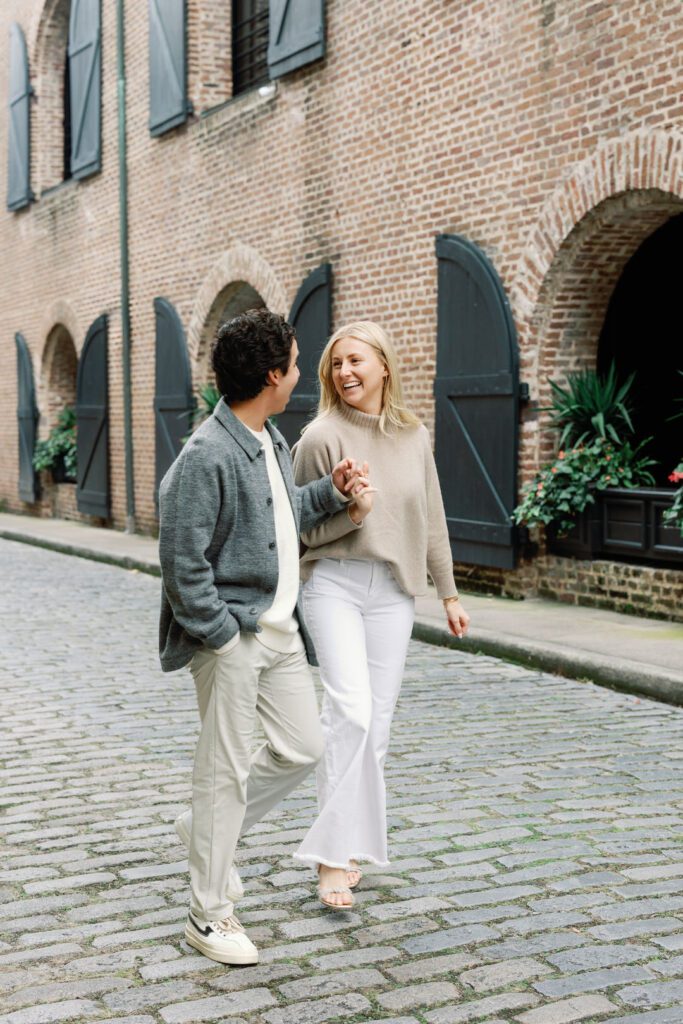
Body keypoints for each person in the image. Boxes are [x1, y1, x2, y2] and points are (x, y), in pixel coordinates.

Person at [158, 309, 371, 963]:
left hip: (277, 631)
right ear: (273, 375)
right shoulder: (207, 454)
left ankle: (203, 832)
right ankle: (208, 914)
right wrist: (220, 635)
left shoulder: (266, 438)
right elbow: (181, 559)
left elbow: (280, 515)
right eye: (298, 364)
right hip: (231, 637)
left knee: (302, 748)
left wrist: (330, 494)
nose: (304, 373)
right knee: (223, 773)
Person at [291, 320, 470, 909]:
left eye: (356, 361)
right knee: (350, 712)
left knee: (379, 725)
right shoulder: (319, 437)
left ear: (384, 367)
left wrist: (447, 591)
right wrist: (354, 513)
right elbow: (297, 526)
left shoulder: (414, 436)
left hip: (394, 591)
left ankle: (349, 841)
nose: (345, 372)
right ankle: (331, 860)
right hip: (333, 583)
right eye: (336, 363)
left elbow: (433, 516)